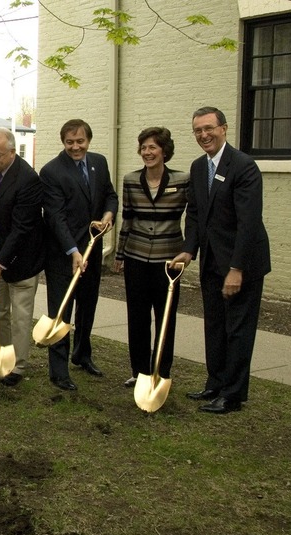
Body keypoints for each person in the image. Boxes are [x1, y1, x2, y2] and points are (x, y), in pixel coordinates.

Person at [173, 106, 271, 414]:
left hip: (242, 263)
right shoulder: (199, 168)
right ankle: (215, 383)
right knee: (214, 325)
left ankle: (232, 395)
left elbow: (249, 223)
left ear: (224, 129)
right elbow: (196, 214)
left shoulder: (244, 166)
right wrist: (189, 250)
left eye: (209, 129)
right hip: (212, 262)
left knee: (238, 329)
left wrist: (236, 269)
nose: (204, 135)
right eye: (198, 131)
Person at [40, 119, 118, 391]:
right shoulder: (51, 171)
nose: (76, 147)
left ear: (88, 140)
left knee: (88, 305)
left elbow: (110, 195)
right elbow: (55, 217)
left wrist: (108, 215)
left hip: (92, 250)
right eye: (70, 142)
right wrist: (73, 251)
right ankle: (58, 371)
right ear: (63, 142)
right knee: (61, 311)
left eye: (80, 141)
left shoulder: (99, 162)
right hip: (63, 255)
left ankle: (82, 354)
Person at [113, 127, 189, 388]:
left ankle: (161, 371)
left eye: (152, 147)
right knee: (137, 316)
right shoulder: (131, 179)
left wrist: (188, 249)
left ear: (164, 151)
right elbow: (128, 218)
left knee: (166, 317)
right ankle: (140, 371)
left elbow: (195, 217)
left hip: (169, 263)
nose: (147, 152)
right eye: (143, 147)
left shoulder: (182, 179)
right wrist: (120, 254)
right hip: (136, 258)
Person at [0, 127, 45, 387]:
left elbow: (22, 228)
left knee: (20, 315)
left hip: (23, 258)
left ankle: (17, 365)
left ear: (12, 153)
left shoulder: (28, 179)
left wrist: (0, 264)